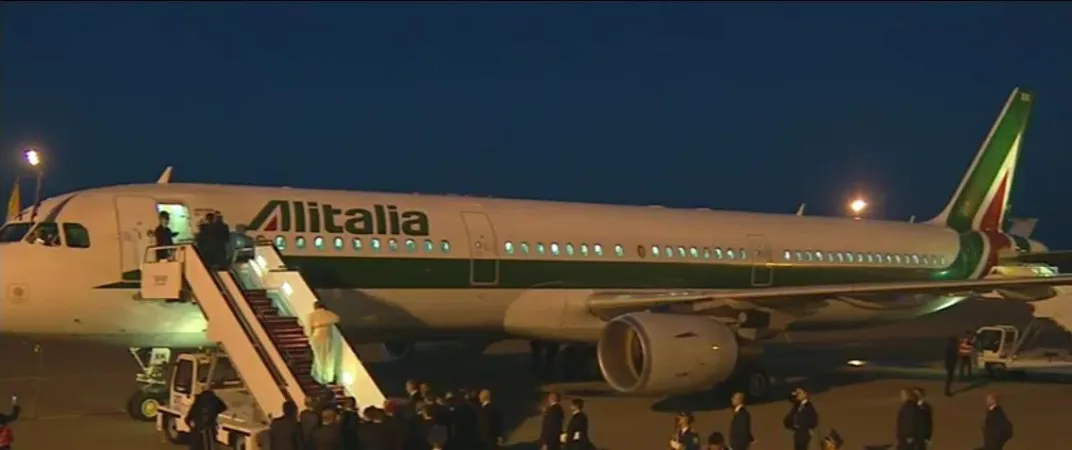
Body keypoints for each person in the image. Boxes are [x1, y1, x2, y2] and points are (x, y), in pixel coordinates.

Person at [307, 302, 341, 384]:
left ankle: (319, 376)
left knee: (318, 357)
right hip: (327, 337)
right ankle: (324, 376)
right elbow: (337, 318)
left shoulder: (311, 315)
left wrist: (310, 339)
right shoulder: (328, 314)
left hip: (317, 337)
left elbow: (308, 329)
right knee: (327, 357)